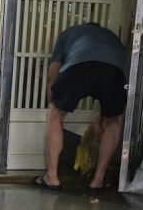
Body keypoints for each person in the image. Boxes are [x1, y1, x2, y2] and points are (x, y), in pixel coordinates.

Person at [37, 23, 127, 191]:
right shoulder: (112, 38)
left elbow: (52, 75)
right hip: (114, 72)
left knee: (55, 115)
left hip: (78, 66)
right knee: (114, 121)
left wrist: (53, 103)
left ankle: (51, 177)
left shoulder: (67, 34)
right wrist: (103, 119)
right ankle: (97, 180)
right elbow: (108, 74)